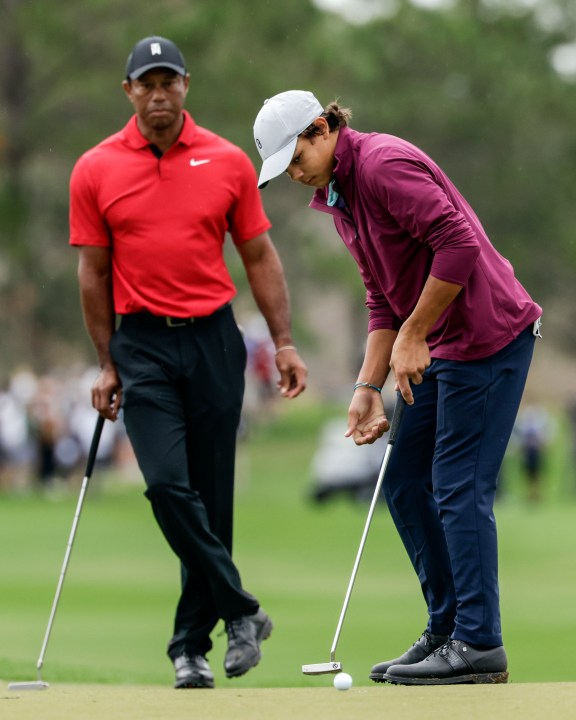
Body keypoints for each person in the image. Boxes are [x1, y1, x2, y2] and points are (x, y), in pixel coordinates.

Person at [252, 90, 542, 685]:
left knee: (458, 486)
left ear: (321, 128)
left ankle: (479, 643)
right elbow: (382, 295)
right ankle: (448, 628)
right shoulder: (339, 196)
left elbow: (457, 244)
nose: (294, 175)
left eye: (295, 157)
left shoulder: (383, 166)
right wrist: (367, 384)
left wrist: (414, 333)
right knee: (406, 482)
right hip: (439, 344)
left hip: (488, 337)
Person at [69, 38, 307, 690]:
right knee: (168, 486)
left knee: (211, 496)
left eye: (168, 81)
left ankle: (190, 647)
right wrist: (105, 362)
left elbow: (259, 256)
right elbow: (92, 274)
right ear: (128, 92)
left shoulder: (228, 161)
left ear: (185, 85)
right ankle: (242, 609)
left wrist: (283, 341)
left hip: (213, 341)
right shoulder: (95, 168)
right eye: (145, 83)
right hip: (141, 344)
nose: (157, 94)